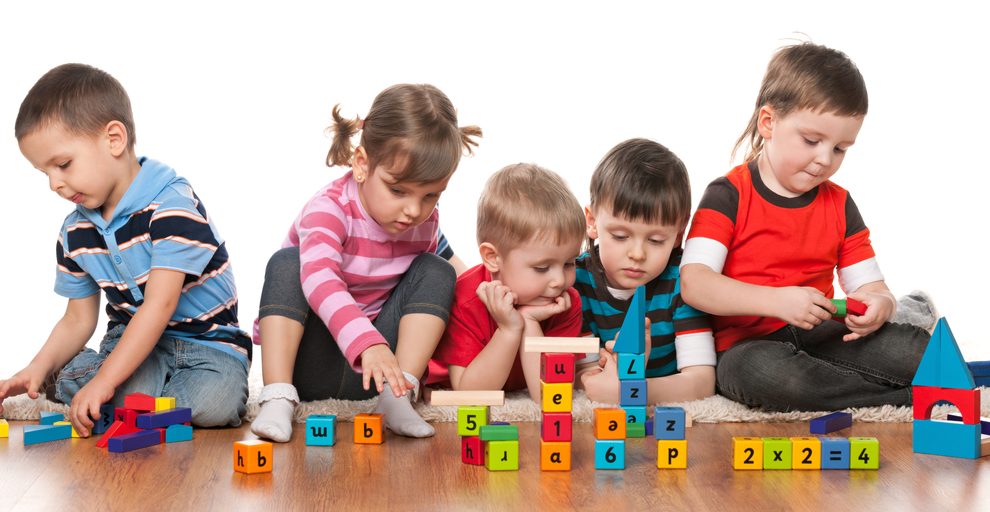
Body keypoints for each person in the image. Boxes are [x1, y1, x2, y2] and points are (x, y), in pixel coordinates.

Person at [0, 63, 251, 435]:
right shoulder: (75, 232)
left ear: (114, 139)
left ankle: (98, 382)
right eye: (45, 173)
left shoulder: (172, 206)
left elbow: (160, 305)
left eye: (64, 165)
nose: (54, 183)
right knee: (129, 394)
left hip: (208, 345)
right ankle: (71, 375)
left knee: (216, 404)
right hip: (133, 342)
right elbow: (77, 319)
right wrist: (37, 367)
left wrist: (103, 383)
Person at [680, 43, 931, 411]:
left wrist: (882, 303)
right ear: (768, 123)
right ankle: (904, 399)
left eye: (840, 149)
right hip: (749, 347)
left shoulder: (840, 204)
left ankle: (866, 384)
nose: (824, 160)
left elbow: (872, 287)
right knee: (772, 378)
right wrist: (776, 301)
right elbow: (694, 283)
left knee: (921, 352)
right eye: (812, 141)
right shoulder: (727, 194)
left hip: (823, 333)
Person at [251, 84, 480, 442]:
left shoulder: (423, 222)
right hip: (312, 362)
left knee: (436, 270)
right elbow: (320, 281)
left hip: (380, 372)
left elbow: (458, 269)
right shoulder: (328, 210)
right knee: (287, 264)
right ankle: (277, 397)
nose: (414, 210)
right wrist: (366, 342)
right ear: (362, 165)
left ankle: (398, 397)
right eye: (398, 190)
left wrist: (495, 294)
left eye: (431, 196)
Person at [575, 139, 716, 404]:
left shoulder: (683, 281)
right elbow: (584, 377)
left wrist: (634, 392)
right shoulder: (575, 282)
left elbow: (702, 381)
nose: (637, 254)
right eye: (620, 236)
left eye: (655, 241)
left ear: (679, 234)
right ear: (592, 222)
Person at [432, 163, 586, 401]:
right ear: (493, 258)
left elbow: (550, 396)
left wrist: (529, 321)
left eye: (569, 263)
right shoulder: (464, 300)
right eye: (542, 268)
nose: (559, 280)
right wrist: (509, 329)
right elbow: (469, 395)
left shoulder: (565, 302)